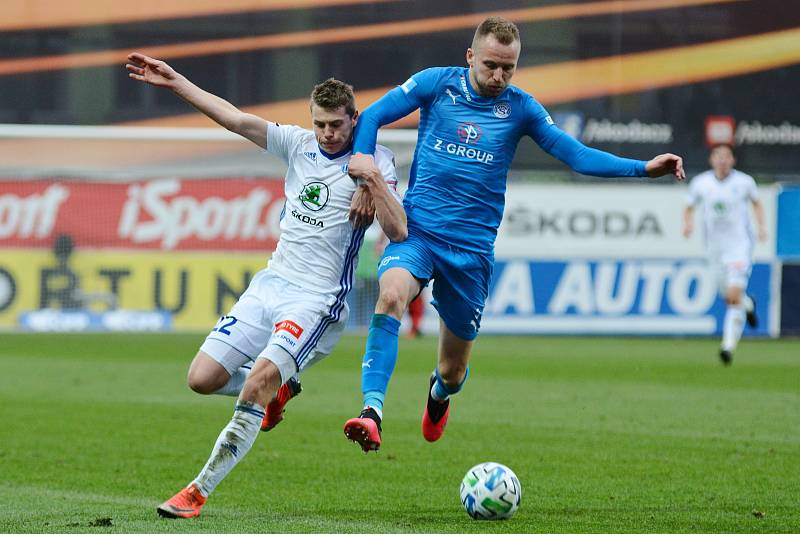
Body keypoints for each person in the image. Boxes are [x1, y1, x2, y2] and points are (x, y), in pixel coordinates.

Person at [341, 16, 686, 453]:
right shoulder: (434, 84)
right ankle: (372, 412)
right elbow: (370, 117)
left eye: (509, 68)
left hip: (471, 252)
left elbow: (575, 155)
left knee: (451, 371)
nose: (498, 76)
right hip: (418, 231)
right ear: (470, 56)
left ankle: (438, 395)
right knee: (390, 295)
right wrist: (365, 174)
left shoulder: (520, 108)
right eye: (490, 65)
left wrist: (642, 168)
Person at [126, 52, 406, 518]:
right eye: (320, 124)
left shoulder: (375, 161)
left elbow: (398, 231)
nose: (328, 134)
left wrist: (373, 182)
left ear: (355, 120)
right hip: (270, 283)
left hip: (317, 301)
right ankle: (278, 391)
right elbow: (234, 118)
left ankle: (197, 491)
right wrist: (177, 82)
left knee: (254, 383)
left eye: (336, 125)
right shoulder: (296, 144)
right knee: (201, 379)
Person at [683, 143, 765, 365]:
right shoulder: (701, 183)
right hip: (715, 250)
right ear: (712, 160)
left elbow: (757, 203)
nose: (722, 160)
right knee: (730, 297)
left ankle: (727, 346)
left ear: (733, 160)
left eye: (726, 156)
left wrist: (762, 227)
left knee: (732, 297)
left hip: (739, 247)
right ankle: (749, 305)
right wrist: (688, 224)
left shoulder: (744, 182)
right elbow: (689, 206)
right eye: (718, 156)